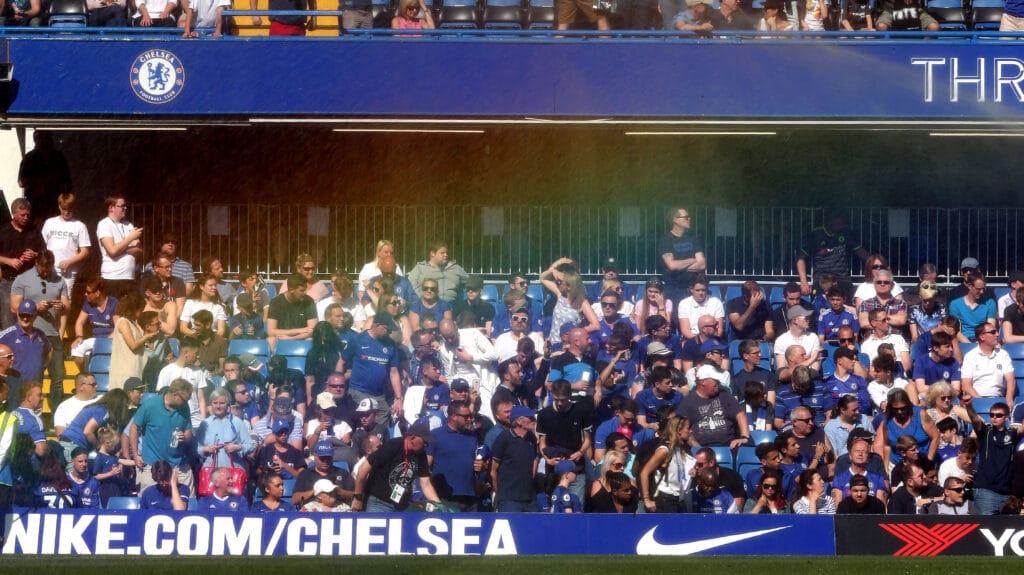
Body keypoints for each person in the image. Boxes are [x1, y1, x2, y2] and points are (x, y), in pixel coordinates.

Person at [352, 421, 440, 512]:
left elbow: (426, 484)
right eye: (425, 442)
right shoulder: (393, 445)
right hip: (379, 503)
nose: (426, 446)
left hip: (401, 505)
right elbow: (363, 468)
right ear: (413, 438)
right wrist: (358, 498)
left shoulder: (421, 455)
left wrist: (439, 505)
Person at [129, 379, 195, 493]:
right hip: (153, 465)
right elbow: (134, 428)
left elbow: (189, 432)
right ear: (175, 395)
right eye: (185, 400)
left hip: (178, 464)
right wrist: (135, 455)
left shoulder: (184, 408)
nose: (187, 403)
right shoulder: (150, 405)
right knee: (148, 502)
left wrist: (184, 437)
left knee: (188, 502)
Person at [962, 395, 1019, 515]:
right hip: (986, 492)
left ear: (1006, 417)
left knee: (1007, 529)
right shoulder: (985, 432)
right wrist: (969, 405)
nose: (994, 418)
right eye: (992, 415)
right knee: (987, 529)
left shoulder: (1012, 433)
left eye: (998, 415)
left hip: (1007, 493)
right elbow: (975, 419)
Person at [425, 400, 482, 511]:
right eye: (466, 416)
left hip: (470, 497)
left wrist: (481, 466)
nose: (470, 419)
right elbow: (425, 466)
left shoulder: (472, 436)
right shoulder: (436, 435)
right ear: (454, 416)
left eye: (470, 416)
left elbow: (475, 463)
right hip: (445, 497)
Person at [796, 213, 867, 300]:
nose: (842, 224)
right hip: (821, 279)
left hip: (842, 279)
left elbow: (861, 252)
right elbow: (800, 258)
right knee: (820, 305)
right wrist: (804, 282)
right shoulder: (815, 234)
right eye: (840, 221)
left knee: (848, 306)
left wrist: (877, 264)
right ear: (830, 221)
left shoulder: (846, 233)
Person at [676, 364, 749, 448]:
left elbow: (740, 415)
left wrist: (744, 437)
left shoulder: (725, 395)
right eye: (715, 381)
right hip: (701, 448)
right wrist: (698, 449)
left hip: (728, 446)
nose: (718, 383)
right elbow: (682, 428)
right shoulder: (688, 402)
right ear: (703, 382)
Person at [0, 197, 42, 330]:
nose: (26, 218)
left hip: (30, 281)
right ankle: (9, 349)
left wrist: (35, 255)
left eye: (28, 215)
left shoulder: (34, 231)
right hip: (9, 282)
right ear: (13, 213)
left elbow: (44, 252)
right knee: (9, 318)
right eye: (22, 215)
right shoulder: (3, 231)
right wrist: (8, 261)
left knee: (30, 316)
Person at [639, 414, 694, 513]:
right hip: (664, 500)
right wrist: (647, 500)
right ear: (679, 430)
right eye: (688, 428)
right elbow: (644, 472)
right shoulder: (664, 450)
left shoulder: (679, 450)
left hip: (678, 499)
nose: (691, 431)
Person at [489, 406, 539, 512]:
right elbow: (493, 471)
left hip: (530, 498)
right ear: (520, 421)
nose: (534, 420)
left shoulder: (532, 438)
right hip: (509, 500)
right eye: (531, 417)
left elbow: (534, 460)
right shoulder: (503, 438)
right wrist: (500, 493)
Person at [40, 193, 90, 298]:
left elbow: (85, 252)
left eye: (70, 209)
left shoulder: (80, 226)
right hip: (50, 269)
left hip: (69, 271)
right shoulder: (50, 223)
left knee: (65, 300)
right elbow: (42, 246)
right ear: (59, 206)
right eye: (64, 208)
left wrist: (69, 262)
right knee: (48, 298)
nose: (67, 212)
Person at [874, 388, 938, 465]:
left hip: (923, 461)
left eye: (902, 408)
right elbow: (887, 446)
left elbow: (935, 437)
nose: (899, 412)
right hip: (897, 464)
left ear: (908, 405)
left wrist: (929, 461)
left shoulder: (920, 414)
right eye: (896, 409)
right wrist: (886, 468)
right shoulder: (887, 420)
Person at [96, 195, 142, 299]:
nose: (125, 208)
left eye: (126, 206)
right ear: (111, 208)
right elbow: (112, 252)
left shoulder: (128, 225)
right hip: (112, 277)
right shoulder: (104, 224)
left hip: (129, 276)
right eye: (122, 206)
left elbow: (139, 250)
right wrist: (130, 239)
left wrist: (120, 248)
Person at [196, 387, 254, 471]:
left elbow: (250, 445)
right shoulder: (205, 423)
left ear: (228, 404)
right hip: (211, 470)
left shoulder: (237, 422)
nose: (218, 406)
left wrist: (237, 447)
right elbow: (196, 448)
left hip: (233, 469)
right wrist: (206, 449)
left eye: (222, 403)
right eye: (215, 403)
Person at [657, 208, 706, 307]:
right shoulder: (666, 240)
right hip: (674, 289)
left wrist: (679, 267)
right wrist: (692, 260)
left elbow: (702, 264)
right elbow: (672, 265)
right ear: (675, 219)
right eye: (686, 217)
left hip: (693, 289)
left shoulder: (693, 239)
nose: (689, 219)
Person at [0, 300, 51, 391]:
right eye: (22, 315)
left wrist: (41, 368)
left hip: (35, 388)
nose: (25, 319)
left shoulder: (41, 335)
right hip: (13, 389)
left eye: (29, 315)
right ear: (17, 314)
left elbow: (49, 352)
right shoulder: (6, 335)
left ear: (35, 315)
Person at [961, 322, 1016, 405]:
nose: (997, 334)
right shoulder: (970, 356)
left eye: (997, 331)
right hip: (975, 400)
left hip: (998, 401)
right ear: (982, 337)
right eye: (993, 332)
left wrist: (1009, 398)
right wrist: (981, 401)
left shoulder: (1003, 354)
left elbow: (1011, 379)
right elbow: (966, 385)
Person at [70, 278, 118, 370]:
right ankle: (86, 373)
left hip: (111, 340)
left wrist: (104, 343)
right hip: (95, 339)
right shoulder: (88, 303)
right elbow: (79, 323)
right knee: (76, 350)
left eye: (88, 292)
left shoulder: (113, 303)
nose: (85, 294)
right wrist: (79, 336)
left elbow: (118, 328)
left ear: (97, 293)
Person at [292, 440, 354, 506]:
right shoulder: (305, 474)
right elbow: (295, 500)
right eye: (322, 458)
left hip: (338, 509)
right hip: (312, 511)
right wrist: (315, 490)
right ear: (315, 456)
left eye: (328, 458)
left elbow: (355, 496)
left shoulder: (343, 473)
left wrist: (338, 491)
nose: (325, 461)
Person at [266, 272, 318, 348]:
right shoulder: (276, 302)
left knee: (310, 340)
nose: (305, 293)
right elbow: (271, 331)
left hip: (301, 338)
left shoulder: (309, 301)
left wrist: (291, 338)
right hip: (281, 339)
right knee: (270, 340)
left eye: (305, 289)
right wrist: (300, 330)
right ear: (291, 290)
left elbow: (312, 330)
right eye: (302, 290)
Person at [950, 273, 998, 343]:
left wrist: (979, 343)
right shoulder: (955, 304)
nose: (982, 292)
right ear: (970, 286)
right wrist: (969, 345)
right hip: (963, 341)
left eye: (983, 289)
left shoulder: (990, 303)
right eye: (978, 289)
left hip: (984, 340)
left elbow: (991, 328)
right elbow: (955, 330)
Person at [179, 273, 228, 338]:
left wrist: (208, 340)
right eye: (210, 285)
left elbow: (221, 331)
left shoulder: (219, 307)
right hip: (194, 339)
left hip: (212, 340)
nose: (214, 288)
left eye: (215, 285)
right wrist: (196, 336)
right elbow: (183, 328)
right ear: (201, 287)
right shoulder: (190, 303)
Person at [677, 275, 724, 340]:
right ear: (691, 289)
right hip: (692, 339)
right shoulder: (683, 304)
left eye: (703, 290)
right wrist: (699, 341)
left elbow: (719, 330)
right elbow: (685, 330)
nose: (701, 293)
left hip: (712, 339)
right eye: (697, 290)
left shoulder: (716, 302)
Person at [774, 306, 820, 371]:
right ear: (794, 320)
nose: (808, 320)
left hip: (809, 375)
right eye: (806, 318)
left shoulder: (813, 337)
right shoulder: (781, 340)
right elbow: (781, 369)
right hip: (790, 376)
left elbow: (815, 365)